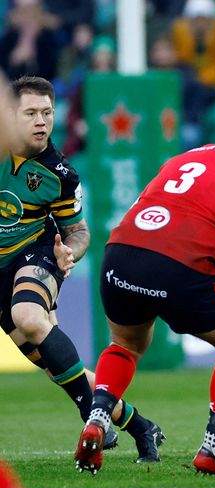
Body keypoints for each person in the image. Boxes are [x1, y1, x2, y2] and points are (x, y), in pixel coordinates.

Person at [73, 112, 215, 477]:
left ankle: (98, 418)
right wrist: (204, 287)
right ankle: (213, 449)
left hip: (119, 255)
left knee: (125, 344)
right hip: (181, 267)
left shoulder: (184, 158)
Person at [0, 75, 163, 463]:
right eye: (31, 113)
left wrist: (69, 254)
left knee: (29, 316)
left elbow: (77, 231)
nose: (41, 121)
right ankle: (140, 425)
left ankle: (88, 415)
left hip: (37, 255)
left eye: (48, 112)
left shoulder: (59, 173)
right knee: (53, 365)